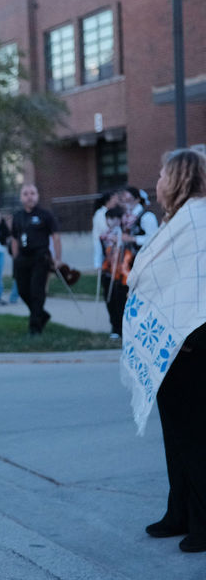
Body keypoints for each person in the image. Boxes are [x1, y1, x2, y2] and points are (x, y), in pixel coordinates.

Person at [122, 148, 206, 554]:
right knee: (175, 433)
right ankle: (181, 511)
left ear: (178, 178)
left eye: (161, 173)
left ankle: (204, 520)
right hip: (176, 343)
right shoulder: (180, 220)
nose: (155, 181)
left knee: (194, 434)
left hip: (194, 343)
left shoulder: (197, 220)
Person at [11, 184, 62, 335]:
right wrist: (15, 258)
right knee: (22, 291)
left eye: (32, 193)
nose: (29, 196)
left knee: (36, 292)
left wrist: (58, 258)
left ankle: (35, 327)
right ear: (21, 197)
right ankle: (42, 314)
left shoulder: (45, 215)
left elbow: (56, 237)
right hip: (23, 258)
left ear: (37, 196)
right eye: (26, 194)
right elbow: (14, 238)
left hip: (40, 257)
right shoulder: (17, 216)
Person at [99, 206, 131, 338]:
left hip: (120, 272)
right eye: (110, 219)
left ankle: (121, 328)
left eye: (116, 218)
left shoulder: (124, 234)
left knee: (120, 301)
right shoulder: (105, 234)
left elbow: (127, 250)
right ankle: (114, 326)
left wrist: (119, 240)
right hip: (108, 270)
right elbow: (101, 252)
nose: (113, 221)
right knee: (109, 299)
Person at [120, 185, 159, 254]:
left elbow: (153, 238)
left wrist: (132, 239)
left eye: (128, 200)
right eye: (123, 201)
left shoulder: (147, 216)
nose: (125, 204)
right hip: (129, 258)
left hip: (145, 256)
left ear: (137, 199)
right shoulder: (124, 217)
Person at [91, 190, 121, 271]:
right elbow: (104, 229)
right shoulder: (100, 213)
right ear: (109, 200)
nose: (117, 201)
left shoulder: (112, 212)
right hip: (103, 245)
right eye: (115, 198)